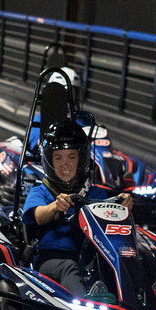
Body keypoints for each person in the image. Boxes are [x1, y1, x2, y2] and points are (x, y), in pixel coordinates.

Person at [22, 120, 133, 297]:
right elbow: (38, 216)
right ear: (49, 161)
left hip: (91, 258)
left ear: (81, 160)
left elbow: (113, 223)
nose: (64, 164)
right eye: (58, 158)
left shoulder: (97, 193)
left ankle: (141, 302)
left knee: (130, 257)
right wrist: (54, 207)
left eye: (71, 157)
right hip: (52, 260)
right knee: (69, 267)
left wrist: (124, 205)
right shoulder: (41, 192)